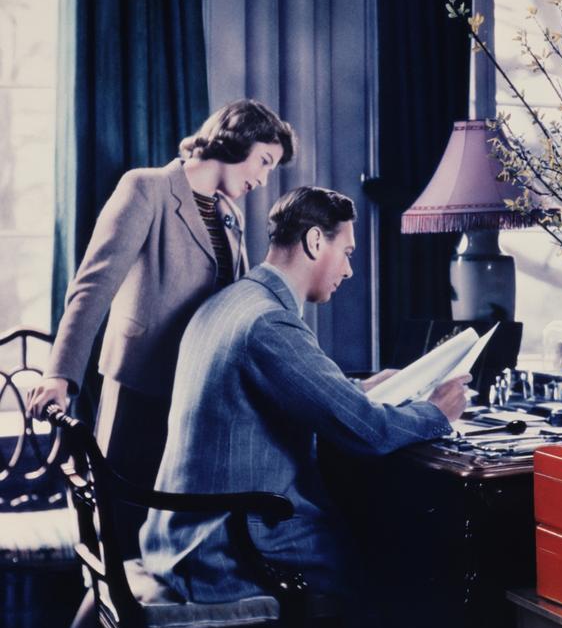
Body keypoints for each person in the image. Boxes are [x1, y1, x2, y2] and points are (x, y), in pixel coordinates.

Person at [28, 98, 297, 628]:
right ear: (235, 141)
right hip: (139, 393)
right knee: (122, 540)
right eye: (264, 159)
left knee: (168, 546)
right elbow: (93, 285)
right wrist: (61, 372)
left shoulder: (230, 216)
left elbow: (234, 308)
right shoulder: (146, 189)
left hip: (195, 401)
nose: (263, 177)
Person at [140, 186, 469, 604]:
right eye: (347, 252)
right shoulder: (269, 323)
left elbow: (293, 390)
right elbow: (368, 433)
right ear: (315, 241)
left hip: (181, 534)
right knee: (391, 567)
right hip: (224, 548)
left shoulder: (233, 302)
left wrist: (362, 389)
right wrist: (436, 412)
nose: (349, 270)